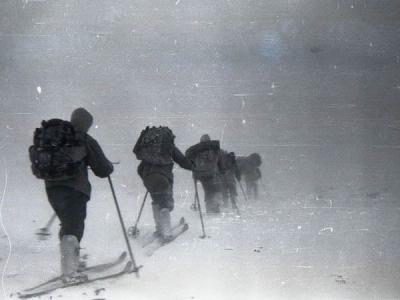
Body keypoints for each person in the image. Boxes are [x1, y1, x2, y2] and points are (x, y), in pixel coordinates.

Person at [30, 108, 114, 283]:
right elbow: (102, 169)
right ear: (87, 124)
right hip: (75, 189)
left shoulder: (56, 136)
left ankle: (71, 265)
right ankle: (70, 273)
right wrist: (108, 167)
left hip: (52, 188)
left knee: (67, 224)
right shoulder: (84, 138)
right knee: (73, 227)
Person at [133, 126, 192, 242]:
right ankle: (166, 232)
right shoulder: (169, 146)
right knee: (165, 203)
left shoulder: (147, 150)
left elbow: (139, 167)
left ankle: (160, 229)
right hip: (163, 178)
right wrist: (193, 166)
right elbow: (183, 161)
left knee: (156, 201)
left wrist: (146, 178)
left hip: (148, 178)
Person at [186, 134, 223, 214]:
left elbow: (188, 156)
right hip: (212, 174)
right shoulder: (215, 150)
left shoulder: (197, 150)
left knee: (209, 191)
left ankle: (210, 209)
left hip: (202, 175)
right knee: (214, 190)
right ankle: (215, 208)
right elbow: (220, 160)